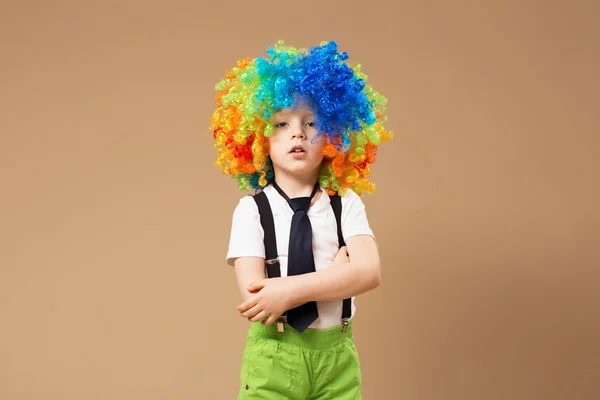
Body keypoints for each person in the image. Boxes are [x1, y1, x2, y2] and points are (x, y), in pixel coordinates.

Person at [211, 40, 392, 399]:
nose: (298, 133)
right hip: (274, 356)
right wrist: (339, 275)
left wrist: (290, 289)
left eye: (311, 122)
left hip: (337, 357)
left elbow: (369, 273)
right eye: (281, 123)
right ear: (257, 139)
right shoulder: (252, 211)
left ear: (333, 135)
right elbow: (257, 300)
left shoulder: (346, 203)